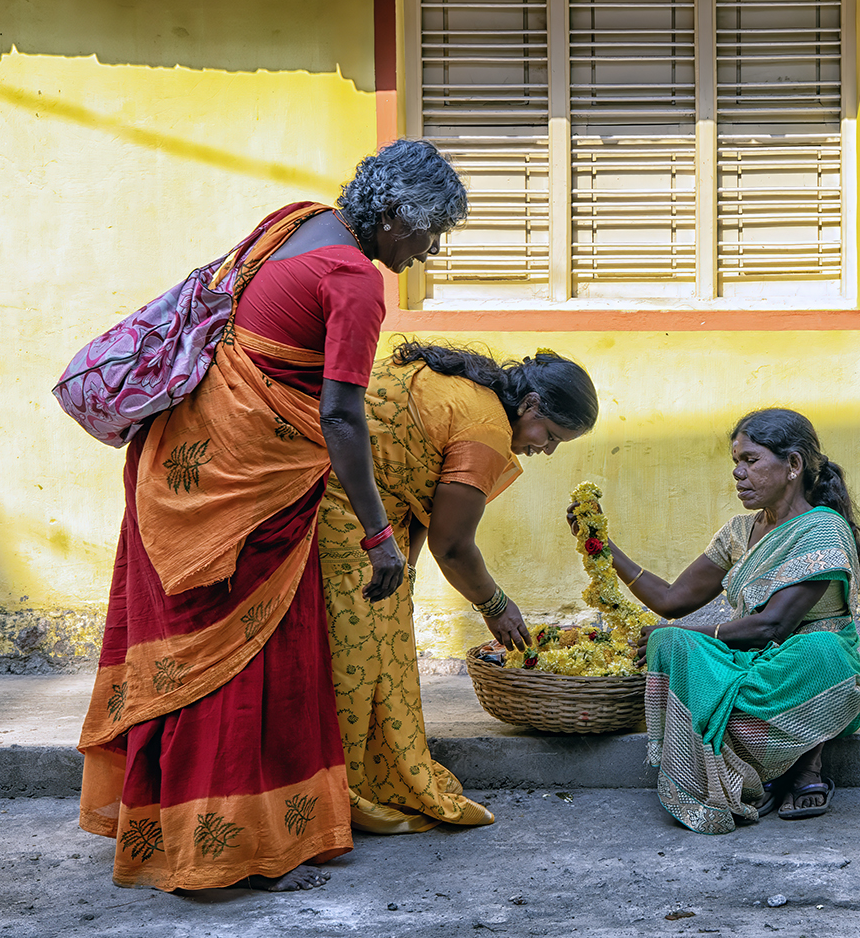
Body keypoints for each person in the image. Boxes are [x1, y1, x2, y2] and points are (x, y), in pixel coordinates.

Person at [76, 139, 468, 891]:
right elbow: (342, 418)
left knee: (186, 652)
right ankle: (221, 856)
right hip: (249, 490)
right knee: (237, 664)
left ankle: (180, 831)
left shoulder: (295, 222)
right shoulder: (353, 280)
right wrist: (381, 534)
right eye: (429, 233)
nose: (430, 250)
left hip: (182, 466)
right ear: (393, 218)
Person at [318, 342, 597, 834]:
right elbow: (453, 544)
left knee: (381, 640)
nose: (545, 450)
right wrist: (495, 605)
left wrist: (405, 568)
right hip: (340, 510)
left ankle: (359, 780)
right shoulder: (486, 429)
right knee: (355, 661)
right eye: (549, 435)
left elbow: (419, 492)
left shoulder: (463, 391)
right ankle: (337, 794)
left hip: (353, 508)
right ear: (529, 405)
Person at [570, 408, 860, 835]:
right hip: (751, 663)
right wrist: (600, 543)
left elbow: (774, 627)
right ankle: (754, 772)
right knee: (669, 644)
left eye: (751, 460)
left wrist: (687, 631)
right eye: (736, 463)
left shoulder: (822, 529)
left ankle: (803, 766)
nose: (739, 473)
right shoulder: (738, 532)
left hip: (807, 672)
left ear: (794, 465)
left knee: (817, 650)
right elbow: (672, 600)